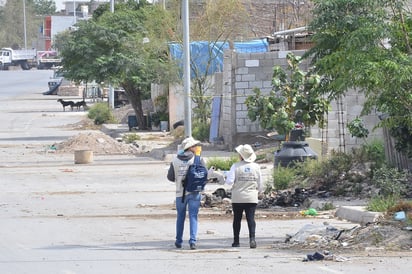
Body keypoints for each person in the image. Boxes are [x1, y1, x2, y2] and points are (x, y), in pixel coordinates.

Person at [167, 136, 207, 250]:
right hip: (194, 192)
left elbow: (170, 177)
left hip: (180, 193)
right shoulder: (197, 159)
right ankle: (192, 241)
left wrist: (180, 178)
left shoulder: (175, 160)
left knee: (180, 217)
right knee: (193, 216)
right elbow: (204, 174)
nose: (197, 147)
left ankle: (178, 241)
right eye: (195, 146)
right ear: (190, 148)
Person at [225, 144, 263, 248]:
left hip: (237, 197)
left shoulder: (235, 166)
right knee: (251, 219)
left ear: (241, 155)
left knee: (237, 219)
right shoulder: (256, 167)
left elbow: (229, 182)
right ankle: (252, 239)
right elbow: (260, 183)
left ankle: (236, 241)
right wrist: (260, 192)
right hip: (251, 197)